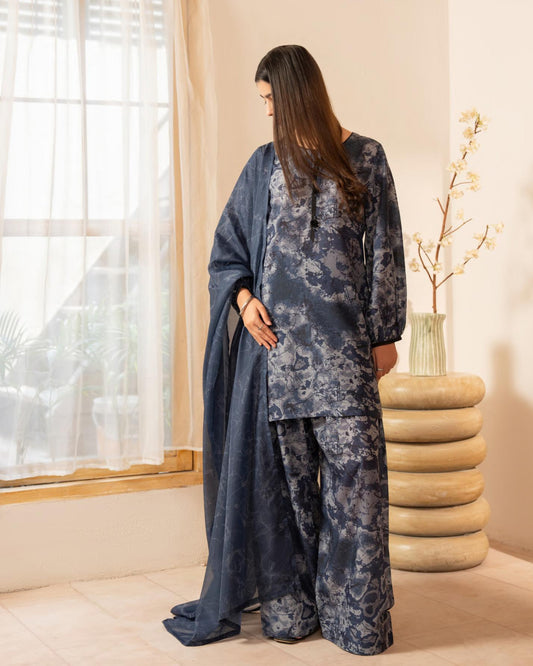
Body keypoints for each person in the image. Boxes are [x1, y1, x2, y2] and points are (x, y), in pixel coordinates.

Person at [163, 44, 406, 657]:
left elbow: (386, 249)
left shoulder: (366, 158)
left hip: (345, 360)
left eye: (271, 98)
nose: (267, 110)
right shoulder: (263, 165)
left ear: (298, 93)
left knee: (356, 496)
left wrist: (385, 333)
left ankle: (355, 620)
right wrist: (244, 301)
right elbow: (227, 251)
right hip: (278, 365)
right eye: (262, 101)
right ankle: (293, 610)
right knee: (289, 498)